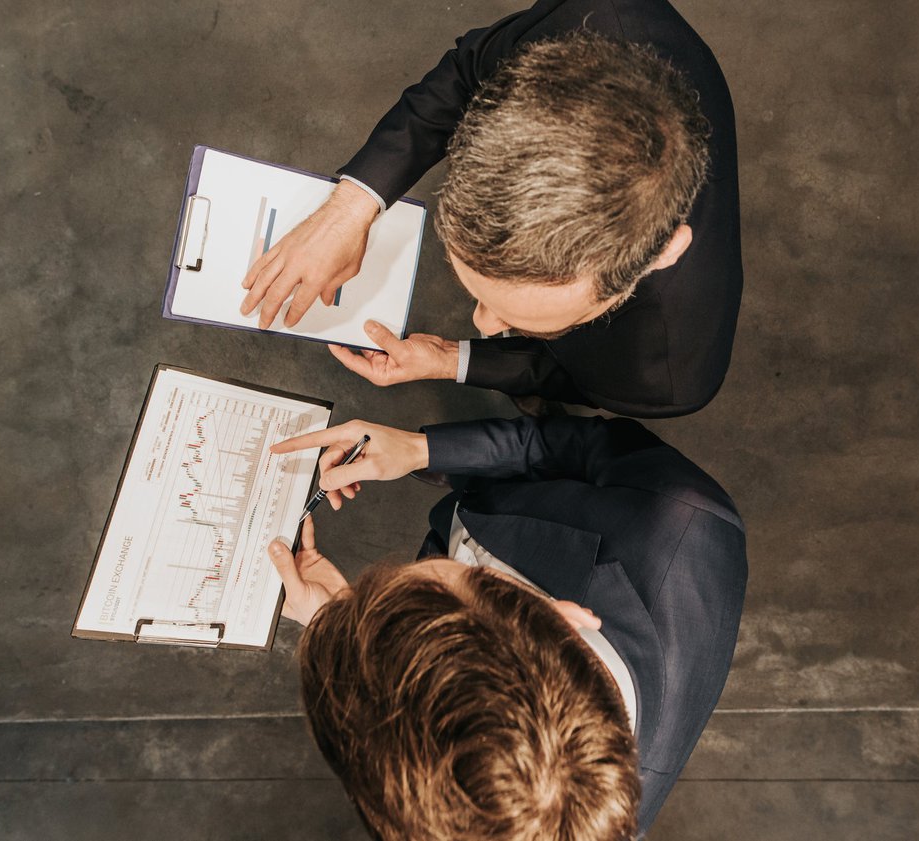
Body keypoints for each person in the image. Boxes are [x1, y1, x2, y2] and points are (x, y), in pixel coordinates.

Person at [240, 0, 742, 418]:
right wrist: (350, 207)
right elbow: (466, 72)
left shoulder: (669, 372)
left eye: (542, 325)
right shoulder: (589, 15)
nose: (481, 325)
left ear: (662, 253)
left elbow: (576, 379)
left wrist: (455, 361)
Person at [266, 413, 748, 837]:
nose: (438, 556)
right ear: (566, 620)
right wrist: (423, 450)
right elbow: (584, 446)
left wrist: (335, 620)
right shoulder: (678, 514)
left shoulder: (686, 522)